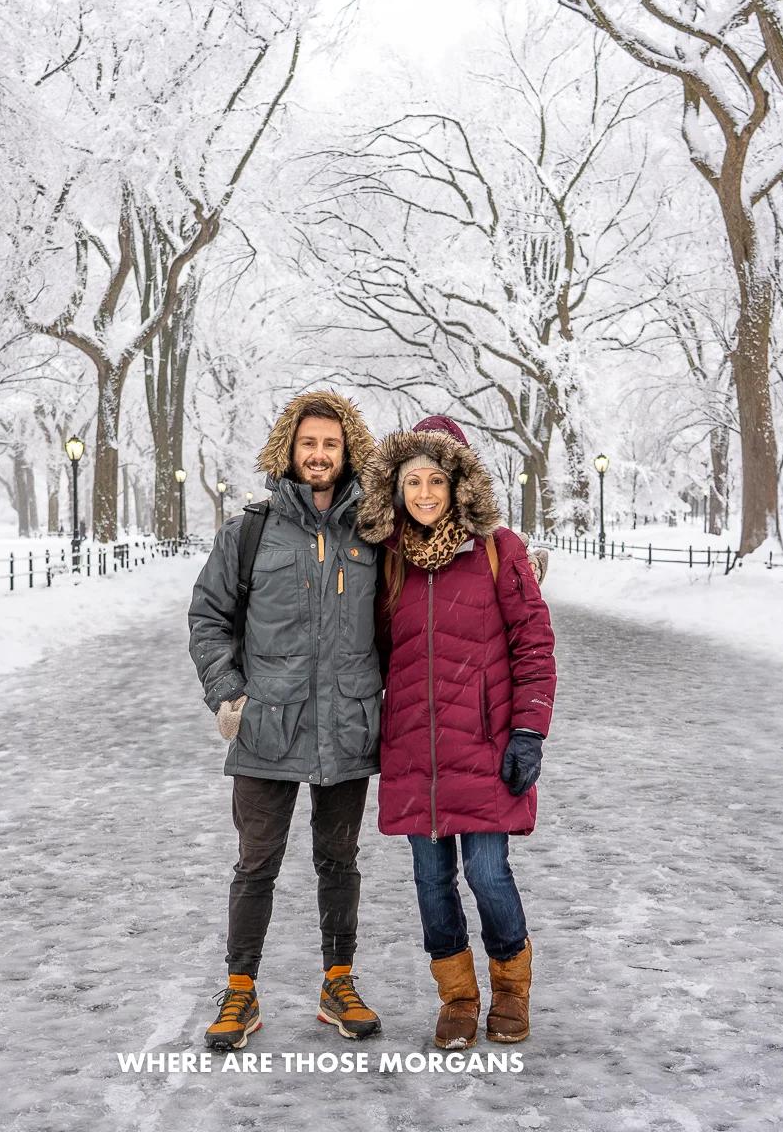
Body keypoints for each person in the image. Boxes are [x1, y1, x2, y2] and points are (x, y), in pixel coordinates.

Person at [188, 391, 386, 1050]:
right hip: (266, 726)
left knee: (340, 863)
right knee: (255, 867)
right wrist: (228, 692)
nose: (320, 454)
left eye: (331, 443)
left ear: (346, 449)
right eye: (309, 443)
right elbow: (209, 616)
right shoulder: (250, 530)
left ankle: (338, 981)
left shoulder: (375, 535)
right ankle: (240, 990)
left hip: (348, 728)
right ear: (290, 450)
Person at [357, 415, 557, 1049]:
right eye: (411, 480)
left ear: (459, 485)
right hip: (416, 749)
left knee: (488, 873)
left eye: (435, 480)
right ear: (396, 487)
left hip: (487, 745)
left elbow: (533, 643)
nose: (422, 493)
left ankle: (511, 991)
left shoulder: (498, 549)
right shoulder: (388, 562)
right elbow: (372, 652)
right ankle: (457, 998)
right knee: (429, 880)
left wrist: (529, 729)